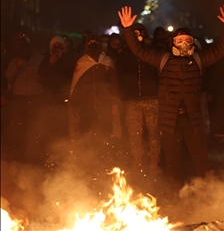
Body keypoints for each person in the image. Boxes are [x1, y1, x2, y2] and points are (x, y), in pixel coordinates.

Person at [118, 4, 224, 188]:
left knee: (201, 159)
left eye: (187, 40)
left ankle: (207, 193)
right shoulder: (162, 59)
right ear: (173, 42)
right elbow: (138, 51)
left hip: (193, 118)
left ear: (192, 43)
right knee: (172, 162)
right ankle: (174, 194)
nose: (183, 44)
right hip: (169, 118)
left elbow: (221, 49)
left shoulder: (199, 59)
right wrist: (128, 29)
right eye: (179, 40)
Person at [68, 33, 121, 171]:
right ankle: (90, 167)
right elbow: (76, 86)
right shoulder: (81, 63)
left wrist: (115, 104)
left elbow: (114, 85)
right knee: (88, 136)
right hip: (87, 108)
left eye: (95, 41)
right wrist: (75, 106)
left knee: (105, 136)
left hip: (105, 107)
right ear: (86, 44)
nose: (93, 43)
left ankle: (106, 165)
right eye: (90, 41)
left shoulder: (107, 62)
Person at [115, 23, 162, 175]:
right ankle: (137, 160)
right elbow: (120, 77)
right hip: (133, 99)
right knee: (134, 132)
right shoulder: (124, 55)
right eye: (134, 33)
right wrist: (122, 95)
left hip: (152, 97)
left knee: (154, 131)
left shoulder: (153, 52)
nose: (137, 36)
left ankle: (154, 161)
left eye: (140, 33)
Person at [5, 34, 44, 162]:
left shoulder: (39, 59)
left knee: (33, 126)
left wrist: (34, 73)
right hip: (19, 97)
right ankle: (18, 154)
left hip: (34, 97)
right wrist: (17, 65)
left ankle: (33, 155)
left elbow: (44, 78)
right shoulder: (15, 59)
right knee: (18, 126)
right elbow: (8, 77)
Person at [38, 35, 79, 146]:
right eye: (55, 45)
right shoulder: (47, 59)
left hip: (64, 96)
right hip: (49, 97)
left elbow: (73, 72)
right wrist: (50, 63)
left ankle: (64, 145)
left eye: (59, 45)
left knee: (63, 122)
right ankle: (50, 145)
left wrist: (63, 58)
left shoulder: (69, 58)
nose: (57, 47)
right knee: (50, 122)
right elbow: (40, 73)